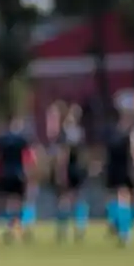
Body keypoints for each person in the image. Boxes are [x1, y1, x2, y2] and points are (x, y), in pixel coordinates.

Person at [103, 100, 134, 247]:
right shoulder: (133, 133)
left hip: (113, 170)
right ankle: (124, 231)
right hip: (128, 170)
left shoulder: (111, 131)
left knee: (118, 200)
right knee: (127, 200)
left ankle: (117, 224)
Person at [0, 119, 36, 245]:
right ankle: (17, 227)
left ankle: (6, 226)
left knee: (4, 203)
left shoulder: (1, 140)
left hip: (4, 174)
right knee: (20, 204)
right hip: (18, 174)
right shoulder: (22, 140)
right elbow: (29, 155)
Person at [52, 103, 90, 243]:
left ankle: (62, 229)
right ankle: (79, 227)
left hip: (69, 169)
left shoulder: (64, 133)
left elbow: (63, 155)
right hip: (78, 169)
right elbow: (83, 154)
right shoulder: (80, 132)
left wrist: (60, 173)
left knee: (65, 201)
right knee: (78, 200)